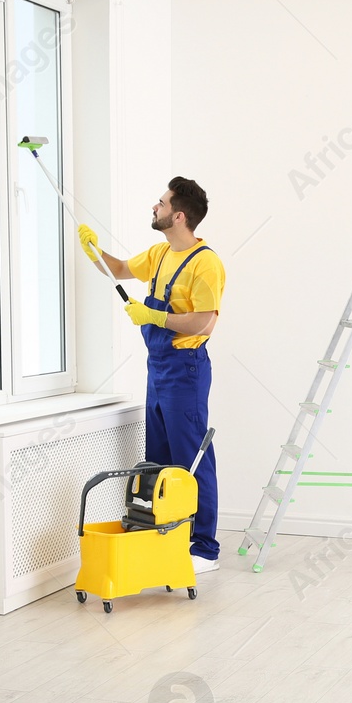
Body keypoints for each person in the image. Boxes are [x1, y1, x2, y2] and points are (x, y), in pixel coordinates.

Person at [75, 178, 225, 572]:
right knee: (158, 461)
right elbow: (121, 269)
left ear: (178, 215)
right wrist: (93, 250)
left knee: (190, 459)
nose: (153, 208)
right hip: (157, 369)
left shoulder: (206, 263)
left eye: (160, 204)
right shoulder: (160, 253)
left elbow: (204, 324)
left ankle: (204, 547)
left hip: (186, 371)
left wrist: (155, 316)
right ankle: (164, 538)